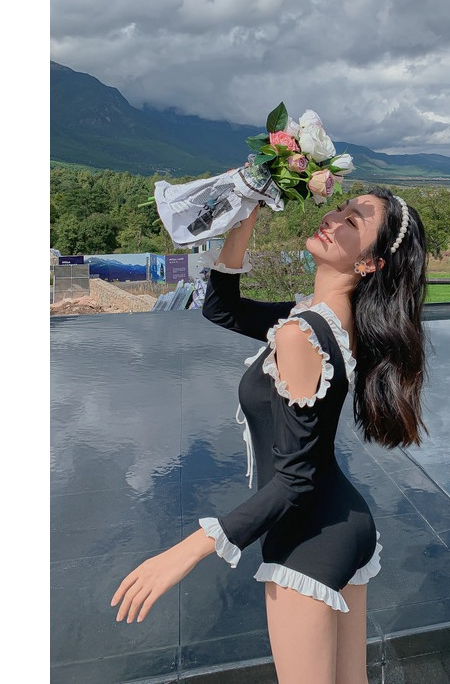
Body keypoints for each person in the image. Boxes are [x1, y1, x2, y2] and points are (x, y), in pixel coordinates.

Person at [111, 187, 428, 684]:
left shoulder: (303, 334)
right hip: (344, 523)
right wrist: (246, 211)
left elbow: (295, 481)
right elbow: (222, 309)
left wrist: (185, 551)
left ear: (370, 264)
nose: (333, 217)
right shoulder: (323, 320)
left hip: (308, 541)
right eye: (341, 207)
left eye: (352, 222)